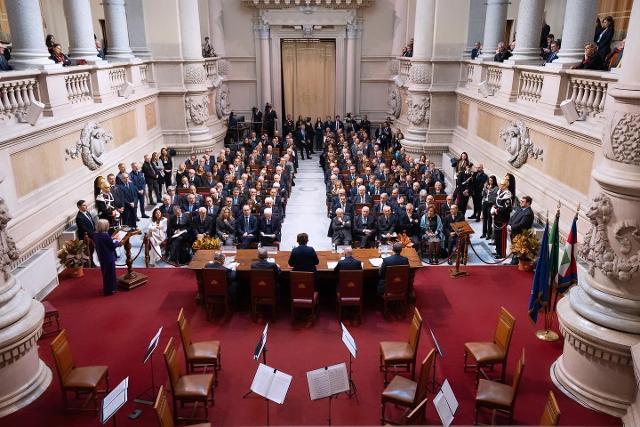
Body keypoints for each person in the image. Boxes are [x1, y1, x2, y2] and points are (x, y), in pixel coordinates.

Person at [93, 219, 121, 296]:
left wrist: (112, 238)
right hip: (109, 257)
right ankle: (111, 289)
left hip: (102, 257)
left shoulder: (95, 234)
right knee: (110, 274)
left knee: (105, 274)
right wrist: (117, 241)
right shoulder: (105, 235)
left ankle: (107, 288)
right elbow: (112, 247)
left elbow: (105, 242)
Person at [508, 196, 534, 265]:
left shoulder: (528, 213)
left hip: (520, 234)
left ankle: (514, 262)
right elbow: (512, 218)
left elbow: (522, 224)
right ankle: (514, 261)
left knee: (517, 250)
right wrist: (509, 225)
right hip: (514, 232)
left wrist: (511, 227)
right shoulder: (520, 209)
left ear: (528, 203)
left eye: (523, 201)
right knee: (514, 248)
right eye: (521, 201)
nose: (521, 202)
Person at [492, 179, 513, 259]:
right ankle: (498, 251)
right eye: (500, 184)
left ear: (505, 186)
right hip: (497, 218)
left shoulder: (507, 196)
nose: (500, 186)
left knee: (501, 237)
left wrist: (497, 210)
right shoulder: (500, 193)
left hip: (503, 219)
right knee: (497, 236)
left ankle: (502, 253)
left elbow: (506, 209)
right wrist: (494, 207)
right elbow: (496, 202)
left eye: (501, 185)